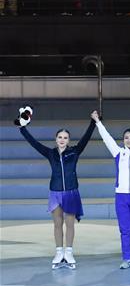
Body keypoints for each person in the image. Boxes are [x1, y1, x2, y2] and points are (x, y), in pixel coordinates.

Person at [17, 110, 96, 269]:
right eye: (60, 137)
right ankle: (59, 252)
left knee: (70, 224)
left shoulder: (75, 151)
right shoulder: (50, 153)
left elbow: (86, 138)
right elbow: (34, 143)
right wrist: (22, 128)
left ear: (68, 140)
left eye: (65, 138)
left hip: (71, 192)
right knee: (57, 224)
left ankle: (69, 252)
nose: (62, 140)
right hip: (55, 193)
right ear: (56, 139)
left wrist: (93, 122)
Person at [92, 109, 130, 269]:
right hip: (121, 196)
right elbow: (107, 139)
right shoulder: (118, 153)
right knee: (125, 229)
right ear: (123, 140)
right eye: (126, 137)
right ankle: (126, 258)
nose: (129, 140)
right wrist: (98, 122)